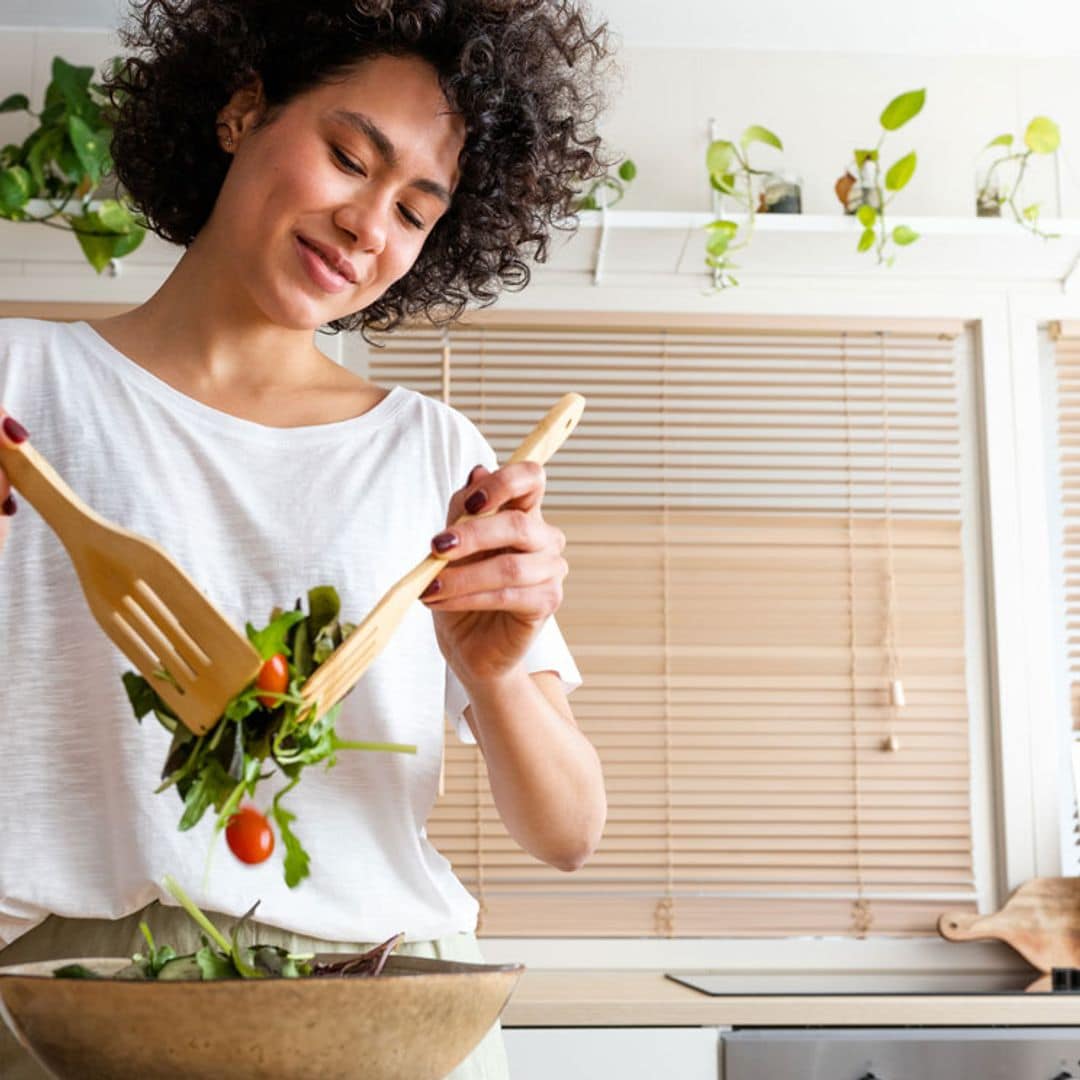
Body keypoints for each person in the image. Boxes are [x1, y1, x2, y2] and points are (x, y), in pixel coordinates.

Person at [0, 0, 611, 1075]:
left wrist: (502, 671)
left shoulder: (434, 454)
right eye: (347, 157)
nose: (369, 225)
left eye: (416, 212)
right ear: (242, 112)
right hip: (66, 1001)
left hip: (379, 999)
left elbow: (568, 831)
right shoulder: (20, 391)